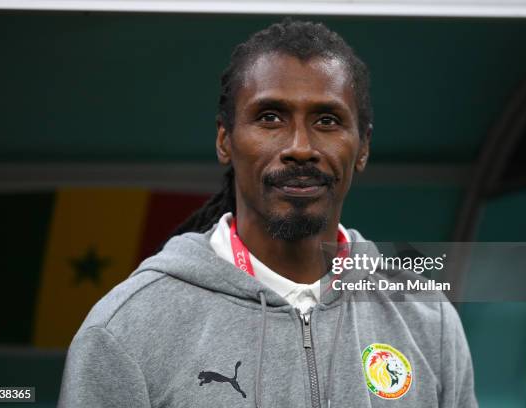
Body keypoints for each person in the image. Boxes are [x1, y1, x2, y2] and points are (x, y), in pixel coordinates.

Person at [59, 19, 477, 407]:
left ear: (363, 147)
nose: (300, 146)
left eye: (327, 120)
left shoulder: (427, 319)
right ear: (225, 140)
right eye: (270, 117)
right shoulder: (128, 328)